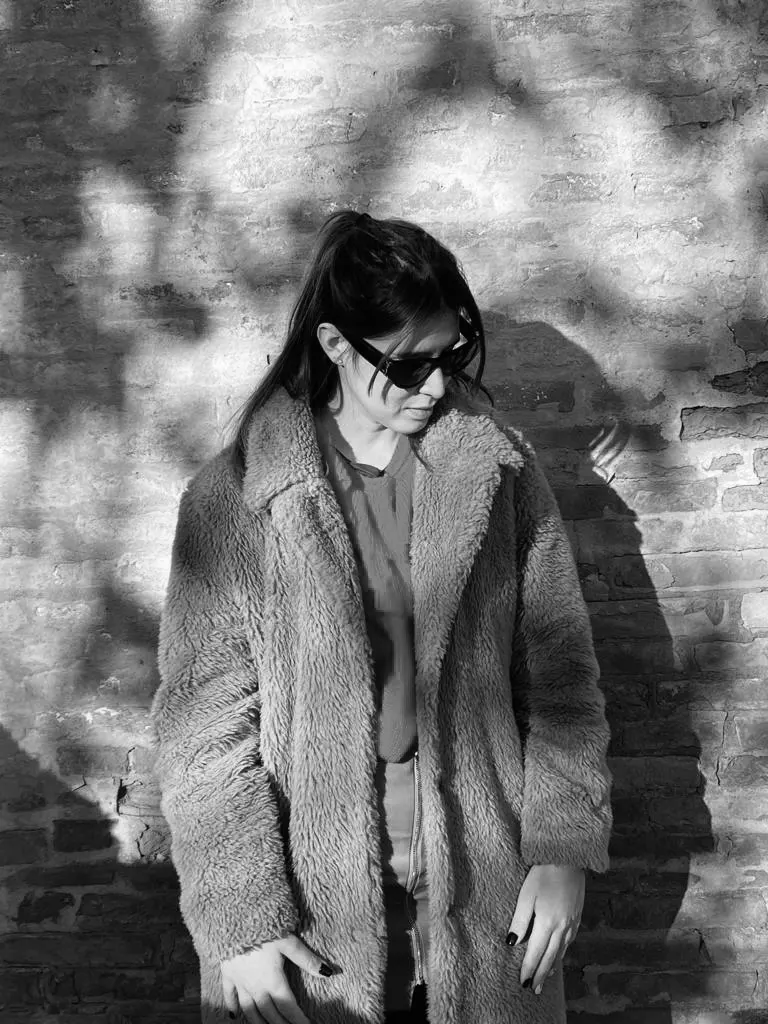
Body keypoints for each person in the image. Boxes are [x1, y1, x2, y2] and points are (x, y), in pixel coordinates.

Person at [150, 210, 613, 1024]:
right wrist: (243, 921)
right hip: (307, 907)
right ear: (335, 344)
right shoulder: (237, 498)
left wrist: (563, 850)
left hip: (485, 892)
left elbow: (561, 679)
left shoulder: (498, 475)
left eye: (450, 356)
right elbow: (202, 731)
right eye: (407, 365)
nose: (434, 386)